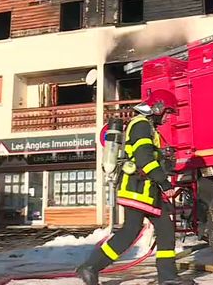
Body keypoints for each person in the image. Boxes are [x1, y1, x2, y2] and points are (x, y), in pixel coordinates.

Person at [77, 89, 193, 285]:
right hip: (137, 190)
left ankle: (168, 277)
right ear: (157, 108)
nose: (167, 118)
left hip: (147, 191)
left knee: (165, 229)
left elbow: (148, 157)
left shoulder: (147, 127)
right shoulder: (140, 125)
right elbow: (143, 158)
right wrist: (164, 183)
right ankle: (90, 267)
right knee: (130, 231)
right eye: (167, 113)